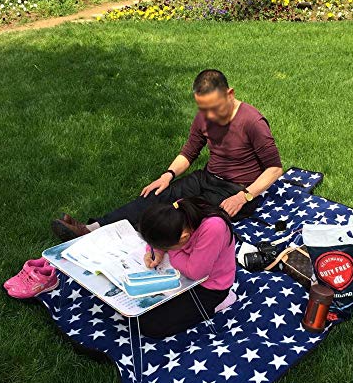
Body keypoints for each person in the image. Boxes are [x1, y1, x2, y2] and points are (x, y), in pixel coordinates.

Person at [51, 69, 283, 240]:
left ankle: (118, 241)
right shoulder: (204, 116)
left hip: (237, 190)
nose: (209, 115)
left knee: (180, 214)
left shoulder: (252, 121)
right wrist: (168, 175)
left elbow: (274, 169)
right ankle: (91, 229)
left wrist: (243, 197)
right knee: (156, 195)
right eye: (204, 109)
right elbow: (189, 151)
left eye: (215, 108)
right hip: (206, 178)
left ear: (230, 94)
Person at [136, 197, 237, 338]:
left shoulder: (213, 228)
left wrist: (172, 252)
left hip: (209, 286)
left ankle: (219, 302)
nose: (166, 249)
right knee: (138, 308)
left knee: (150, 324)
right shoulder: (178, 211)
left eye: (166, 246)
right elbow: (161, 233)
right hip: (184, 270)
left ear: (183, 238)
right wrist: (155, 251)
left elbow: (196, 273)